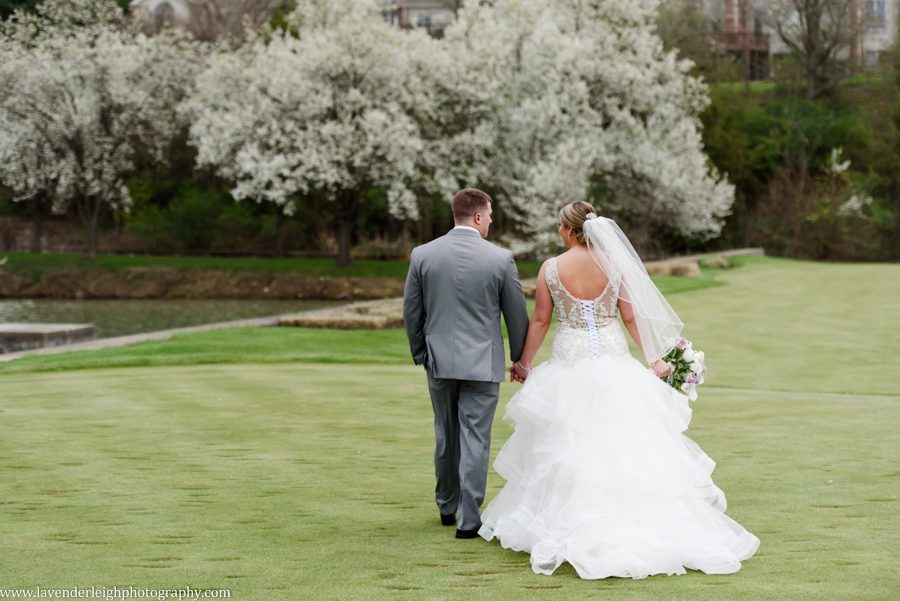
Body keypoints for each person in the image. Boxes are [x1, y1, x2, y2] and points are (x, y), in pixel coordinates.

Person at [478, 201, 760, 578]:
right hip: (615, 364)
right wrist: (654, 359)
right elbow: (629, 316)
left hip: (569, 365)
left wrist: (524, 364)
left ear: (570, 230)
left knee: (567, 445)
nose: (559, 230)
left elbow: (542, 320)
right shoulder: (615, 265)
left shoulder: (551, 268)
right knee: (627, 442)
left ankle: (570, 525)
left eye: (560, 225)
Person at [402, 188, 529, 539]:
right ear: (477, 216)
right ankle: (469, 520)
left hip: (439, 361)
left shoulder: (423, 255)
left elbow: (411, 311)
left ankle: (446, 505)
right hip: (483, 365)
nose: (490, 222)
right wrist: (519, 358)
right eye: (489, 216)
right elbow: (516, 316)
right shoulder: (501, 259)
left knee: (446, 434)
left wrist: (421, 353)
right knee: (476, 439)